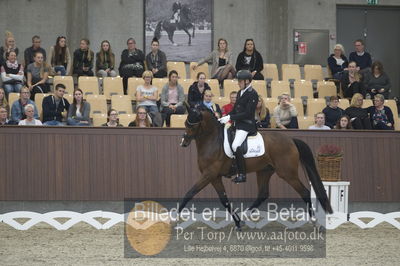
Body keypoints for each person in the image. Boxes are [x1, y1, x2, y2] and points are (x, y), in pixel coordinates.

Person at [219, 70, 259, 183]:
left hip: (246, 125)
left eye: (240, 81)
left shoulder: (253, 94)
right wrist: (226, 117)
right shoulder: (240, 92)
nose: (238, 83)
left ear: (247, 81)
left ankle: (242, 174)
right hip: (237, 124)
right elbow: (235, 109)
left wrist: (231, 118)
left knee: (236, 145)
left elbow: (247, 113)